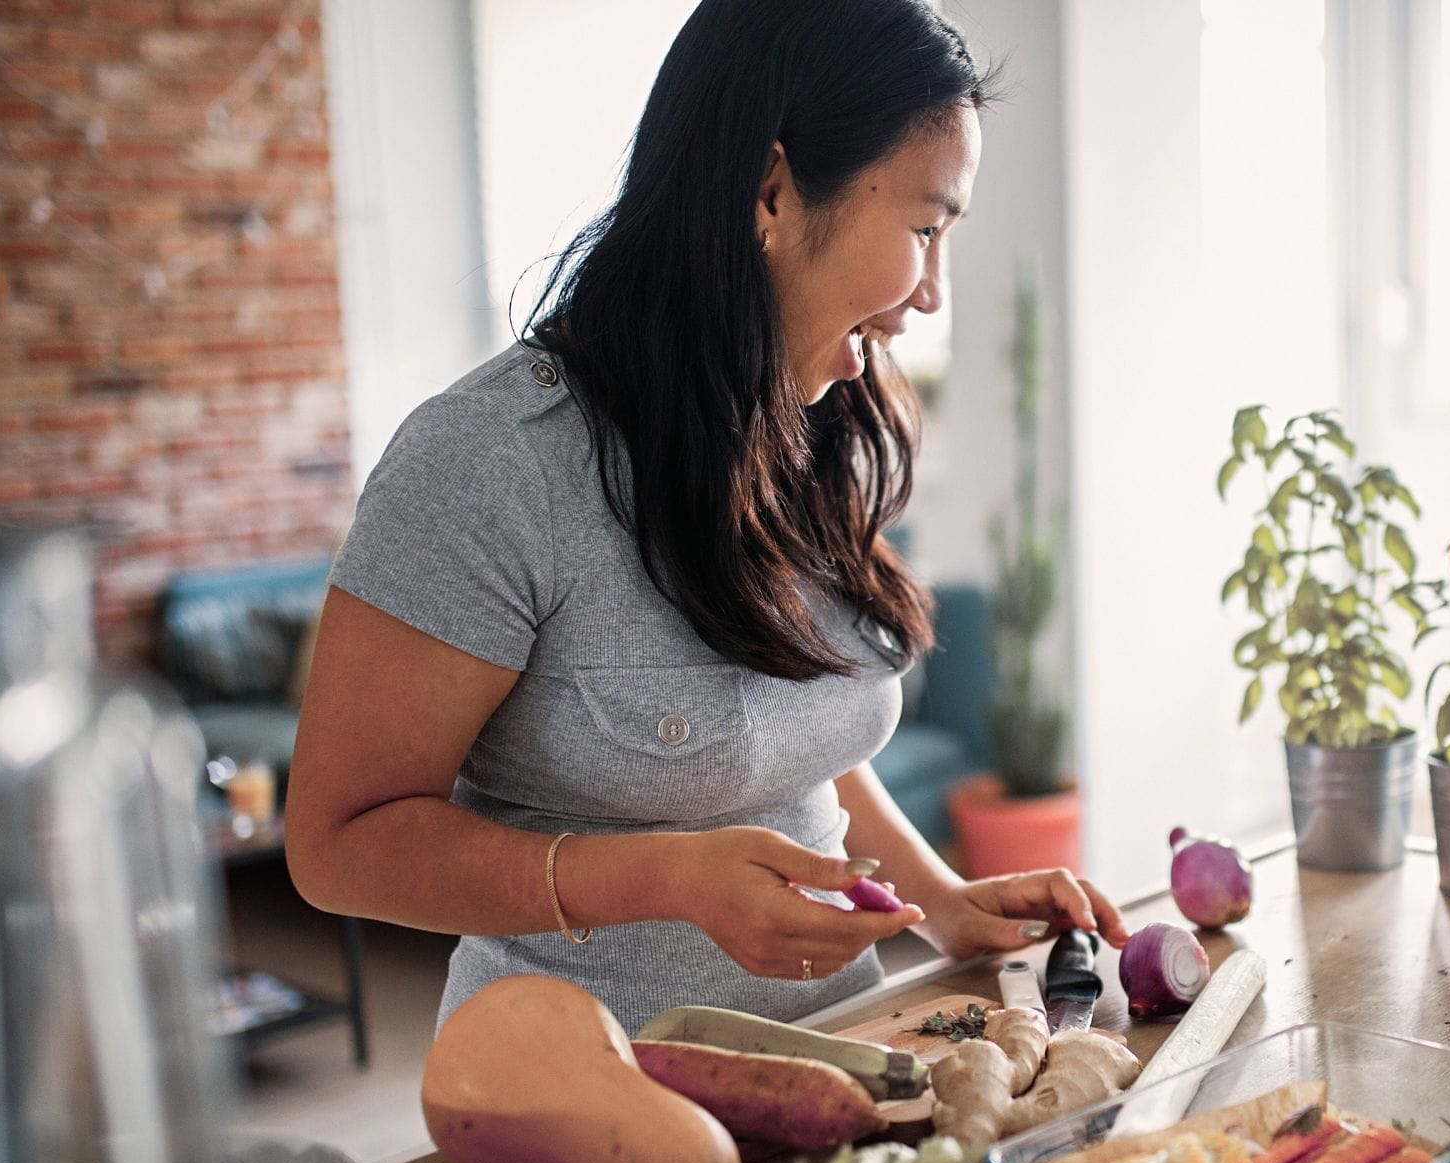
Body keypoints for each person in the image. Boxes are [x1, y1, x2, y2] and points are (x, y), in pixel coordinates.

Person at [285, 0, 1129, 1032]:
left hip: (847, 1057)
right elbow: (336, 846)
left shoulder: (818, 420)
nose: (932, 294)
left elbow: (791, 740)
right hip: (586, 1099)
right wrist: (667, 880)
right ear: (770, 188)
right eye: (923, 228)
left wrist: (940, 906)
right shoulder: (487, 464)